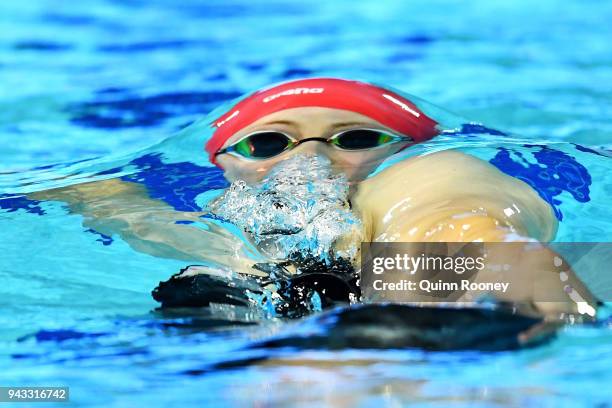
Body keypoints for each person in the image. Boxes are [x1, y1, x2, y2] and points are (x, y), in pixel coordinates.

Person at [31, 77, 598, 322]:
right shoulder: (193, 222)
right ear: (220, 164)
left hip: (425, 309)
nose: (310, 161)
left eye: (356, 139)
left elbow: (460, 218)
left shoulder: (428, 171)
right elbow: (99, 196)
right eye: (266, 143)